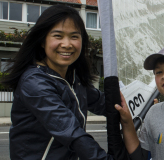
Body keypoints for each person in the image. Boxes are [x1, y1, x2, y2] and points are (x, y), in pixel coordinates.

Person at [1, 5, 122, 160]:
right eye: (58, 36)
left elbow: (105, 103)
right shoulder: (34, 82)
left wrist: (145, 106)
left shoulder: (73, 80)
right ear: (42, 41)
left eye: (74, 36)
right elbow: (71, 132)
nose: (67, 44)